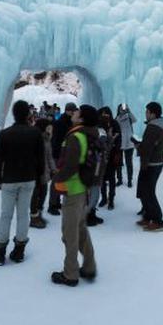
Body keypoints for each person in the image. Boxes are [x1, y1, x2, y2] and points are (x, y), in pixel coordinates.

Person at [0, 100, 45, 266]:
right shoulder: (35, 133)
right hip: (28, 179)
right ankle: (19, 250)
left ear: (13, 114)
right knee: (23, 215)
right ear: (28, 114)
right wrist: (38, 177)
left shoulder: (5, 134)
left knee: (6, 215)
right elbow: (40, 159)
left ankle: (0, 251)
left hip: (9, 179)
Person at [51, 104, 99, 287]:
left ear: (82, 118)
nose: (74, 113)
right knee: (80, 231)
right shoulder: (87, 135)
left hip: (73, 190)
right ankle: (89, 266)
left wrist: (56, 179)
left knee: (69, 234)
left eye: (78, 112)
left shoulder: (75, 137)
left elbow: (70, 167)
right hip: (82, 189)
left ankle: (70, 274)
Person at [135, 102, 163, 232]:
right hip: (155, 162)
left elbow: (147, 148)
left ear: (153, 114)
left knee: (149, 192)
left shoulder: (154, 127)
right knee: (145, 191)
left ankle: (158, 221)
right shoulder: (157, 125)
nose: (146, 114)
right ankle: (148, 216)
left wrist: (139, 147)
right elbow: (151, 144)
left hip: (152, 163)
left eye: (147, 112)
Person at [48, 102, 78, 216]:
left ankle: (56, 202)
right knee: (56, 179)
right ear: (68, 111)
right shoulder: (61, 123)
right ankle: (52, 205)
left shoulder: (66, 122)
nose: (74, 112)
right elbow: (58, 140)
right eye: (73, 110)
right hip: (59, 155)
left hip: (63, 154)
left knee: (61, 179)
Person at [30, 119, 57, 229]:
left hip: (44, 172)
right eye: (49, 127)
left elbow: (49, 156)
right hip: (36, 172)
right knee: (35, 195)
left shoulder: (47, 139)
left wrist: (53, 169)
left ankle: (39, 214)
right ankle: (34, 217)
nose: (51, 129)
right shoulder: (34, 138)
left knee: (43, 193)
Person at [98, 106, 120, 212]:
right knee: (102, 178)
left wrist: (117, 152)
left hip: (112, 156)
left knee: (111, 179)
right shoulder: (99, 125)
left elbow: (119, 139)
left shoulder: (115, 124)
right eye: (103, 114)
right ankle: (103, 198)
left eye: (107, 113)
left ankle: (111, 199)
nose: (105, 115)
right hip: (101, 156)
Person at [115, 103, 137, 187]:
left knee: (129, 162)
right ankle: (119, 179)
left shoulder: (129, 116)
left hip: (129, 143)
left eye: (124, 108)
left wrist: (129, 111)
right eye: (121, 108)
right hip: (120, 143)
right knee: (119, 163)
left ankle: (129, 180)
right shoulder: (117, 118)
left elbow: (135, 120)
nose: (122, 110)